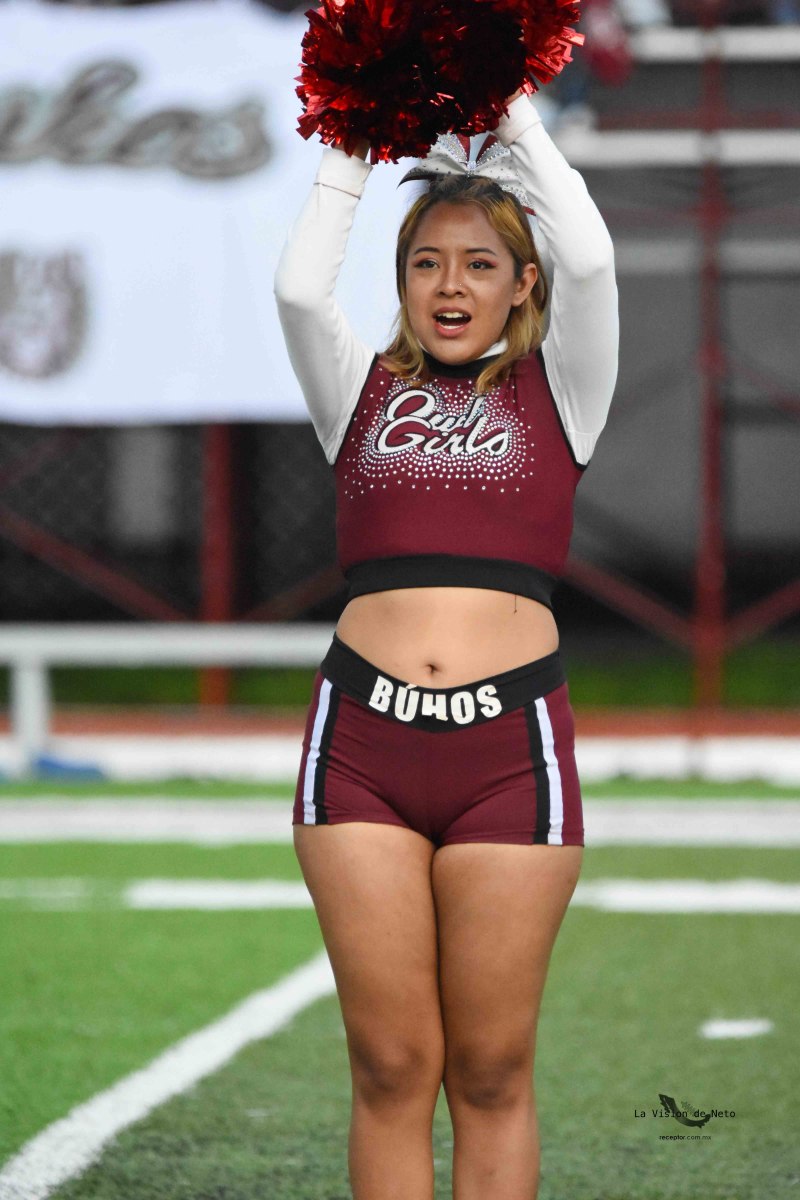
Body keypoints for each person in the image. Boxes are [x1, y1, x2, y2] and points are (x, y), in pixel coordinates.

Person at [274, 79, 618, 1200]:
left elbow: (592, 259)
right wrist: (350, 133)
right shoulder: (356, 389)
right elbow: (298, 288)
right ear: (401, 281)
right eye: (426, 263)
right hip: (361, 746)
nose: (450, 285)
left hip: (507, 751)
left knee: (489, 1068)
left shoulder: (565, 387)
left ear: (523, 284)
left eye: (478, 263)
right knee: (388, 1066)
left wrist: (511, 113)